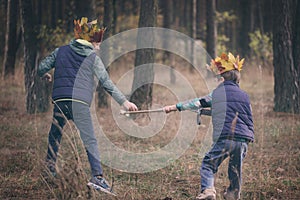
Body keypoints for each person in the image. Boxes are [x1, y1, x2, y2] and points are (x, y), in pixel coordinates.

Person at [38, 17, 138, 193]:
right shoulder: (92, 58)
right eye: (98, 42)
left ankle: (49, 171)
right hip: (79, 103)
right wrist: (124, 101)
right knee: (90, 140)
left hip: (60, 101)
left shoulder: (60, 51)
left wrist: (46, 75)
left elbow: (41, 67)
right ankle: (98, 177)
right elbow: (106, 82)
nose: (99, 46)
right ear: (91, 41)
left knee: (55, 136)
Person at [164, 52, 254, 200]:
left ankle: (208, 191)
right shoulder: (244, 95)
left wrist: (175, 106)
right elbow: (234, 113)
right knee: (235, 168)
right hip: (243, 139)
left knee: (208, 164)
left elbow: (197, 102)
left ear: (221, 78)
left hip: (226, 137)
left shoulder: (217, 93)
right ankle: (233, 194)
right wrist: (205, 112)